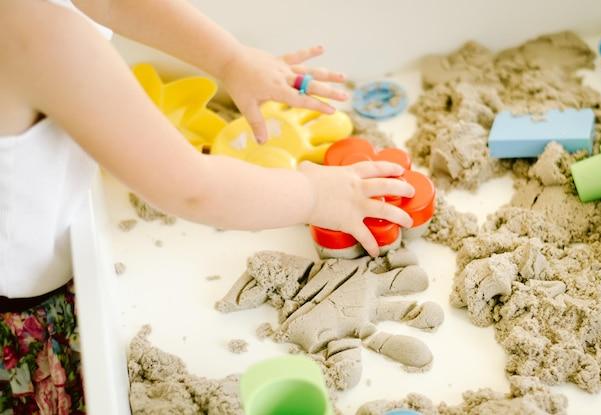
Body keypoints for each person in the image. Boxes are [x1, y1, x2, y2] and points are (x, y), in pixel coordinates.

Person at [0, 0, 414, 412]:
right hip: (24, 302)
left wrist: (230, 59)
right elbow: (189, 187)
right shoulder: (37, 34)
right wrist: (315, 196)